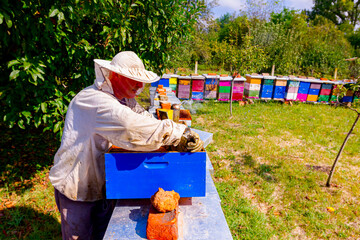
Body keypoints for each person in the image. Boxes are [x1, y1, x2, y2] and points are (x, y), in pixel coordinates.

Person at [49, 51, 203, 239]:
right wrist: (178, 134)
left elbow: (142, 117)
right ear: (114, 75)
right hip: (77, 186)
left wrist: (172, 135)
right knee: (80, 236)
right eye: (133, 79)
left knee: (102, 234)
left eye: (140, 80)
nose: (140, 86)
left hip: (102, 181)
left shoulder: (123, 98)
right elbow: (131, 126)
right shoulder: (95, 100)